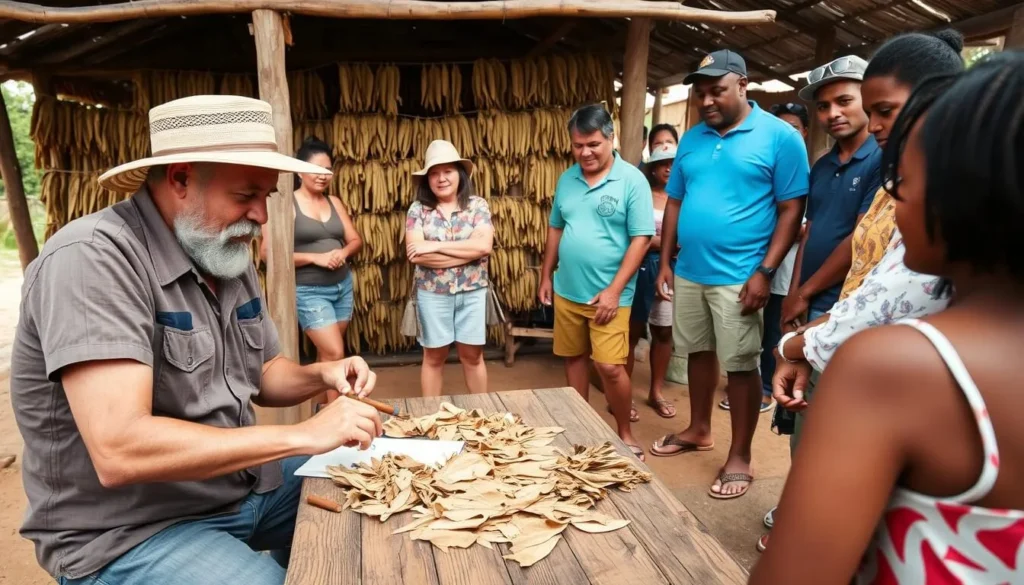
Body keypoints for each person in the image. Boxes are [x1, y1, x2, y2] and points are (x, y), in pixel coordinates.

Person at [9, 95, 385, 585]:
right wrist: (301, 435)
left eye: (266, 197)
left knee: (378, 485)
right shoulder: (93, 261)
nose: (261, 217)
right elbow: (120, 447)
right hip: (131, 529)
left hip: (236, 491)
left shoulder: (222, 249)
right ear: (181, 179)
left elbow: (265, 373)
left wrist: (322, 374)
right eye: (245, 195)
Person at [751, 49, 1024, 585]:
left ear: (964, 195)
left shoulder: (891, 368)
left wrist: (796, 344)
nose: (893, 202)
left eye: (908, 180)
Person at [651, 49, 809, 501]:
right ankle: (699, 429)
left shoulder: (780, 137)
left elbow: (791, 207)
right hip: (690, 271)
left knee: (740, 365)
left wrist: (765, 271)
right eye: (700, 92)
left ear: (743, 84)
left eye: (716, 90)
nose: (706, 100)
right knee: (698, 353)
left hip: (740, 275)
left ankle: (740, 455)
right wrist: (665, 262)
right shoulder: (694, 139)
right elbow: (676, 200)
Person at [539, 103, 655, 460]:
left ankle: (624, 432)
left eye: (593, 144)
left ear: (610, 138)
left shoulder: (632, 180)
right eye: (578, 145)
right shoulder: (566, 179)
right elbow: (557, 227)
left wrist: (614, 290)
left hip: (609, 295)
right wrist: (546, 274)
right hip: (567, 289)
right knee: (573, 358)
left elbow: (642, 238)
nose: (585, 152)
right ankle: (581, 426)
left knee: (608, 366)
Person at [782, 55, 882, 331]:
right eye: (823, 106)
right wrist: (795, 293)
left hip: (849, 301)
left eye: (844, 101)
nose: (833, 113)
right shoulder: (823, 165)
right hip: (810, 299)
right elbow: (809, 233)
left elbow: (861, 238)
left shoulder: (882, 158)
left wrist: (804, 293)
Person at [405, 139, 494, 397]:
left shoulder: (477, 205)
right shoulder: (418, 210)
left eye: (448, 171)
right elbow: (415, 254)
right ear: (427, 179)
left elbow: (484, 247)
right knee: (434, 356)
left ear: (460, 174)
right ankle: (431, 415)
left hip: (472, 292)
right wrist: (468, 252)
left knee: (473, 355)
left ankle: (482, 412)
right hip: (433, 293)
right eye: (434, 173)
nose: (441, 178)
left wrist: (433, 247)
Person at [281, 136, 363, 411]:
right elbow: (269, 254)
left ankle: (320, 413)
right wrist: (316, 257)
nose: (322, 176)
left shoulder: (335, 202)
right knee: (335, 353)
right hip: (310, 291)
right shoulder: (286, 207)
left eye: (327, 170)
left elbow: (355, 240)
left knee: (325, 357)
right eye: (316, 169)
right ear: (299, 170)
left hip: (341, 287)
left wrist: (343, 253)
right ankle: (340, 422)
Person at [625, 143, 678, 420]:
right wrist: (666, 243)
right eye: (662, 163)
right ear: (653, 168)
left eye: (673, 162)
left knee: (663, 331)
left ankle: (655, 392)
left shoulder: (683, 197)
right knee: (632, 333)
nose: (669, 167)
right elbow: (633, 237)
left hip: (671, 269)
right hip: (641, 267)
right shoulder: (640, 195)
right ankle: (624, 394)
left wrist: (657, 244)